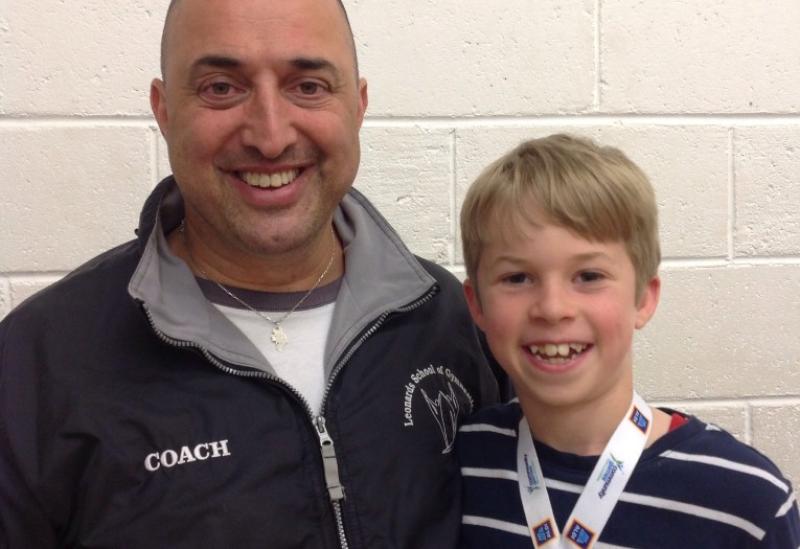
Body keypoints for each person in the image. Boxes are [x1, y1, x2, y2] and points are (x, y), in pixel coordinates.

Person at [0, 0, 499, 546]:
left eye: (307, 86)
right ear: (164, 111)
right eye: (221, 87)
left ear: (357, 105)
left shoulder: (446, 317)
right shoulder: (37, 363)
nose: (270, 136)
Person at [456, 134, 800, 548]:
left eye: (589, 276)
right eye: (517, 278)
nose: (552, 308)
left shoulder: (747, 503)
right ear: (477, 305)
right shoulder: (458, 464)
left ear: (643, 298)